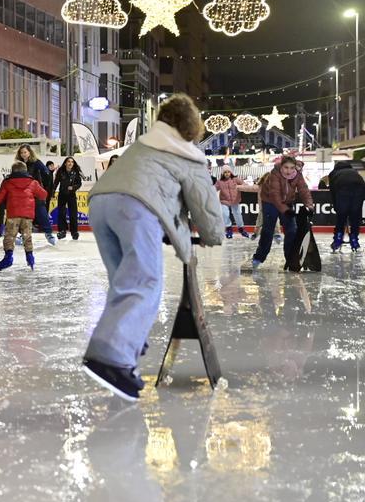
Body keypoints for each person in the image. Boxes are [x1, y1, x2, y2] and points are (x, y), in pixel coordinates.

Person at [81, 94, 222, 401]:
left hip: (100, 204)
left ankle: (125, 353)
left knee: (124, 283)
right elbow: (205, 205)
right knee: (145, 281)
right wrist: (213, 236)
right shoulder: (187, 154)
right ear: (191, 126)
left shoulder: (143, 144)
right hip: (134, 208)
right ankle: (110, 359)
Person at [246, 156, 314, 271]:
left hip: (287, 202)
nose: (289, 170)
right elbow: (275, 195)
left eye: (291, 168)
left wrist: (309, 205)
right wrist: (285, 210)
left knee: (292, 230)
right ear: (281, 167)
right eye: (286, 167)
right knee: (268, 230)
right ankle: (259, 257)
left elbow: (304, 190)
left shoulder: (297, 175)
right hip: (269, 202)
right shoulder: (275, 174)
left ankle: (291, 259)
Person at [0, 161, 47, 270]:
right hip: (27, 216)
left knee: (10, 236)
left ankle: (8, 257)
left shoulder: (7, 182)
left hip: (13, 214)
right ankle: (30, 258)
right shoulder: (33, 182)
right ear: (26, 170)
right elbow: (43, 194)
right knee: (27, 237)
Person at [15, 144, 56, 246]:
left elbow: (46, 173)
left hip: (35, 192)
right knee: (24, 215)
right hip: (23, 194)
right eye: (21, 152)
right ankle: (22, 234)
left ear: (29, 152)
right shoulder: (18, 165)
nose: (23, 154)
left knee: (41, 213)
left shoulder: (36, 162)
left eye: (25, 152)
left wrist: (43, 187)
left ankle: (49, 234)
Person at [329, 160, 365, 252]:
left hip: (343, 191)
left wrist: (336, 205)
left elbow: (333, 191)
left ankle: (338, 239)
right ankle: (354, 239)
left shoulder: (333, 173)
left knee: (342, 216)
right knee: (355, 216)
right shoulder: (354, 172)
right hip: (359, 190)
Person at [54, 156, 84, 240]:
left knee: (73, 213)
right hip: (62, 194)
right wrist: (52, 192)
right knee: (61, 213)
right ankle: (62, 231)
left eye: (72, 162)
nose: (70, 163)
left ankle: (74, 232)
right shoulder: (61, 171)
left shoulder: (75, 172)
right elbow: (56, 182)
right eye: (68, 161)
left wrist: (73, 187)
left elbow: (79, 183)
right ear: (65, 163)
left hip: (71, 195)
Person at [215, 168, 250, 239]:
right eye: (225, 172)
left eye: (228, 172)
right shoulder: (220, 182)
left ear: (231, 172)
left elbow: (244, 184)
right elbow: (214, 188)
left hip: (235, 200)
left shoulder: (236, 179)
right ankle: (229, 229)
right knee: (224, 214)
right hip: (224, 201)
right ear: (223, 174)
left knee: (237, 214)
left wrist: (242, 186)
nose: (227, 173)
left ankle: (241, 228)